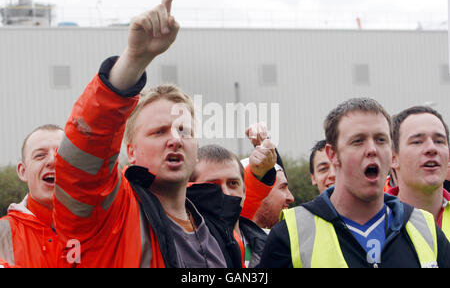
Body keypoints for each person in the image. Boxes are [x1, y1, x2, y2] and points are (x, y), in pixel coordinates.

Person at [54, 0, 240, 268]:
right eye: (159, 131)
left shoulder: (219, 228)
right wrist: (133, 61)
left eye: (183, 131)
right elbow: (81, 160)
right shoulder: (110, 216)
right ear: (131, 150)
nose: (175, 140)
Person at [259, 98, 450, 268]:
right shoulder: (292, 233)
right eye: (358, 141)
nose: (372, 149)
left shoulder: (425, 227)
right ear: (333, 154)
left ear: (391, 152)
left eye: (381, 139)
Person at [188, 144, 268, 267]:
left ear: (244, 191)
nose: (225, 192)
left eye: (233, 183)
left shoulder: (270, 245)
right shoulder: (182, 247)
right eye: (213, 185)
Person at [0, 124, 65, 267]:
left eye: (60, 155)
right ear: (22, 171)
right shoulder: (3, 234)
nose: (52, 161)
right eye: (40, 155)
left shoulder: (98, 230)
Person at [388, 106, 450, 239]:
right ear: (393, 158)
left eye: (439, 141)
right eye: (417, 142)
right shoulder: (372, 223)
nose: (432, 148)